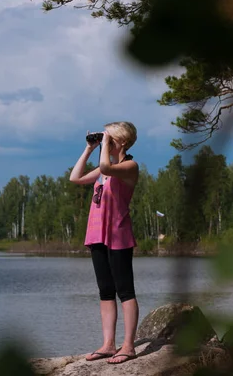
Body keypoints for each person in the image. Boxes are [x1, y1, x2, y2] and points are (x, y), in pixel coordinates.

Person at [69, 121, 139, 365]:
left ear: (122, 142)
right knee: (105, 292)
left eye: (109, 138)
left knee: (125, 291)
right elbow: (75, 177)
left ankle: (128, 346)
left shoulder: (129, 166)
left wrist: (105, 147)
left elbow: (107, 168)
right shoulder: (102, 170)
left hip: (118, 234)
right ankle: (109, 344)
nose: (105, 142)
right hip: (97, 235)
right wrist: (90, 148)